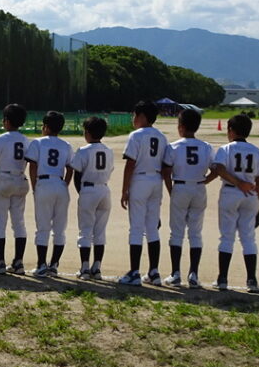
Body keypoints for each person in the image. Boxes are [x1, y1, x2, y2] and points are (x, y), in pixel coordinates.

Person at [211, 114, 259, 293]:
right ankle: (252, 280)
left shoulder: (226, 149)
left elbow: (220, 169)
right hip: (250, 194)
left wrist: (237, 183)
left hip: (230, 192)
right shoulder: (256, 150)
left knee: (227, 237)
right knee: (248, 238)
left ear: (231, 130)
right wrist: (257, 204)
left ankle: (222, 279)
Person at [118, 100, 173, 286]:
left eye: (135, 115)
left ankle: (134, 272)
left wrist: (124, 190)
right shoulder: (162, 137)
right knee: (152, 228)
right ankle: (154, 272)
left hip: (140, 180)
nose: (133, 119)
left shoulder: (136, 135)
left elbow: (130, 164)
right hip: (156, 180)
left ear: (142, 116)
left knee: (136, 228)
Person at [163, 108, 217, 288]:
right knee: (195, 232)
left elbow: (166, 172)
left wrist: (171, 190)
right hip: (199, 187)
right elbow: (216, 169)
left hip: (180, 186)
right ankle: (193, 274)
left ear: (181, 126)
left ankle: (175, 273)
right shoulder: (206, 147)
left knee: (176, 232)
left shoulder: (173, 147)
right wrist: (204, 181)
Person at [26, 111, 74, 277]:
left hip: (43, 183)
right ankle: (54, 265)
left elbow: (33, 166)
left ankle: (41, 264)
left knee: (43, 227)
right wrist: (64, 184)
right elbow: (70, 168)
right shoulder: (66, 145)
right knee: (60, 228)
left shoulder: (37, 142)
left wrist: (35, 187)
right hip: (60, 184)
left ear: (45, 126)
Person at [0, 104, 30, 275]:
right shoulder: (26, 140)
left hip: (3, 180)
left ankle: (0, 263)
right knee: (19, 223)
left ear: (7, 121)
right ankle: (18, 262)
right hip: (20, 179)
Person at [68, 116, 113, 280]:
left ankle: (85, 268)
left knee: (85, 231)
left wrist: (82, 193)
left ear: (87, 132)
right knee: (100, 232)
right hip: (104, 189)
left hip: (88, 189)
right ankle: (97, 268)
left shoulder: (83, 150)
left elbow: (77, 175)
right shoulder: (108, 150)